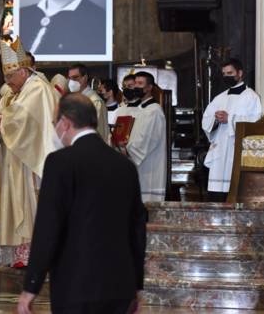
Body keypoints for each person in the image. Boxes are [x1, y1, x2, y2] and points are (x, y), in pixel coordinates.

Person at [17, 93, 147, 314]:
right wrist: (136, 285)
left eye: (55, 122)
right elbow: (137, 230)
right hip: (120, 284)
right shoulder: (124, 165)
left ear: (65, 123)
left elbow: (49, 226)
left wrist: (31, 286)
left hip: (76, 283)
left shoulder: (60, 162)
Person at [0, 37, 58, 267]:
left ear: (23, 71)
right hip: (16, 158)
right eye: (5, 77)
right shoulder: (15, 93)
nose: (7, 82)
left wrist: (3, 118)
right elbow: (7, 112)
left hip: (32, 160)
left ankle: (34, 253)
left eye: (10, 76)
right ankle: (19, 254)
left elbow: (23, 118)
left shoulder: (38, 88)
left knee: (31, 205)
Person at [203, 58, 262, 201]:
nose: (226, 77)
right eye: (224, 74)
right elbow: (206, 119)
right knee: (217, 196)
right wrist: (215, 119)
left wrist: (230, 119)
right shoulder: (219, 98)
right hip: (220, 148)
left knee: (235, 192)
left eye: (230, 73)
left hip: (237, 149)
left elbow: (256, 122)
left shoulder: (251, 97)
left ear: (240, 73)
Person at [122, 72, 167, 202]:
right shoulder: (140, 110)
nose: (136, 87)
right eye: (135, 83)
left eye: (140, 84)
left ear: (149, 87)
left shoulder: (154, 111)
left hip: (149, 166)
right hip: (136, 164)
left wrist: (126, 148)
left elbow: (146, 140)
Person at [67, 64, 109, 142]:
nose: (72, 82)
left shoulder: (95, 102)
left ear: (85, 78)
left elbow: (98, 131)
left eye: (75, 77)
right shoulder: (72, 100)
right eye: (69, 78)